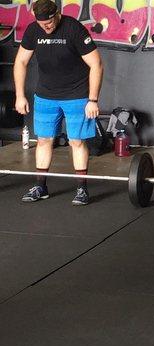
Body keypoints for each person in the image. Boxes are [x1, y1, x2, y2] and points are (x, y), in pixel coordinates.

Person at [14, 0, 103, 205]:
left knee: (77, 142)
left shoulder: (74, 29)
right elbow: (20, 61)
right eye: (42, 24)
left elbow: (96, 64)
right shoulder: (33, 30)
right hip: (45, 95)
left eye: (49, 23)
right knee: (44, 140)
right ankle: (41, 186)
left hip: (77, 95)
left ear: (57, 14)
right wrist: (20, 95)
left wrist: (92, 99)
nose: (46, 28)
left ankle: (82, 188)